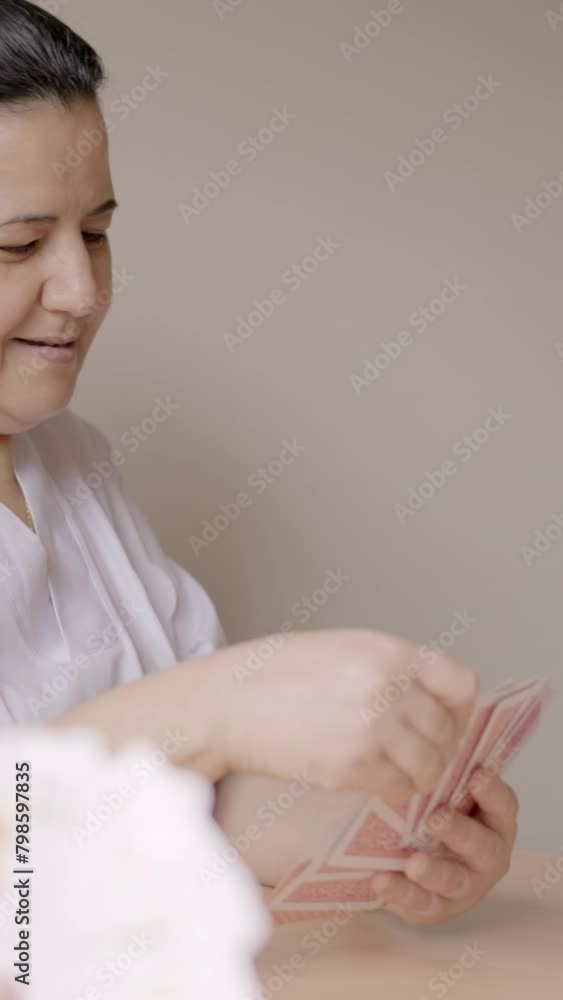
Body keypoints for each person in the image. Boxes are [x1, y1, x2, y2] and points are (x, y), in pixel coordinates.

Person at [0, 0, 518, 927]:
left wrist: (384, 834)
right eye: (19, 245)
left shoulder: (73, 464)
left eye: (98, 232)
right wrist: (213, 706)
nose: (80, 290)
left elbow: (199, 800)